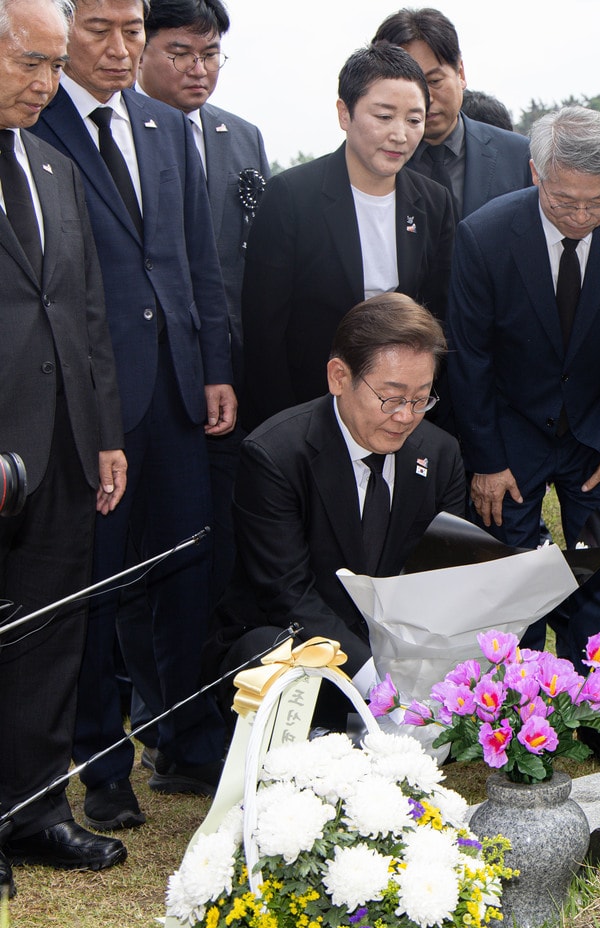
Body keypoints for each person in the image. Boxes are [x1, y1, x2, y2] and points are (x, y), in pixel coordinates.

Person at [33, 0, 234, 829]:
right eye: (100, 31)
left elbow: (196, 259)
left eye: (132, 31)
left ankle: (185, 743)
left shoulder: (164, 126)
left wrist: (214, 366)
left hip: (179, 394)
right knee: (96, 590)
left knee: (186, 576)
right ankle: (101, 765)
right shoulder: (33, 123)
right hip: (87, 404)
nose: (120, 49)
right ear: (65, 29)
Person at [447, 107, 600, 767]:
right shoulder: (485, 235)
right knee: (516, 578)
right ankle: (515, 721)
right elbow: (470, 359)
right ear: (536, 172)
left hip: (595, 439)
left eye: (599, 201)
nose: (582, 215)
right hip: (511, 437)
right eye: (565, 200)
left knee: (596, 570)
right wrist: (487, 460)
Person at [0, 0, 129, 891]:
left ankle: (36, 810)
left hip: (63, 445)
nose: (48, 83)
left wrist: (106, 433)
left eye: (54, 65)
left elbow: (85, 313)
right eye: (30, 63)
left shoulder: (53, 166)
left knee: (49, 635)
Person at [133, 0, 267, 757]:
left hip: (233, 376)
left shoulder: (240, 136)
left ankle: (214, 704)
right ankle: (162, 719)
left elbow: (252, 254)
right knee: (156, 555)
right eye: (181, 51)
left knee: (221, 548)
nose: (199, 68)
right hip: (155, 381)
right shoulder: (120, 136)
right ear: (143, 49)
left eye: (211, 53)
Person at [212, 293, 466, 692]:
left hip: (400, 650)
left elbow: (443, 575)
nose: (405, 417)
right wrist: (378, 687)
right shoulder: (276, 457)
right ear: (339, 377)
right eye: (391, 398)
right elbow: (289, 595)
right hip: (299, 645)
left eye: (421, 399)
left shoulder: (440, 453)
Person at [241, 44, 453, 430]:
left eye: (414, 119)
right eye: (384, 116)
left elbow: (438, 313)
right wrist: (282, 425)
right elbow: (264, 329)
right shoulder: (292, 196)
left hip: (401, 411)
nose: (400, 135)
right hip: (309, 406)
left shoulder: (434, 202)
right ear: (345, 113)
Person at [371, 7, 530, 224]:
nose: (426, 99)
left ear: (460, 73)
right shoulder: (373, 165)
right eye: (411, 86)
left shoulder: (519, 156)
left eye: (435, 81)